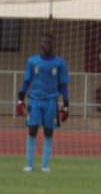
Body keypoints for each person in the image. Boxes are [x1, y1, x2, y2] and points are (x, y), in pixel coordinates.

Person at [16, 33, 70, 173]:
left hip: (51, 101)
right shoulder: (32, 61)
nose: (47, 45)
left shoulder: (60, 63)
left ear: (54, 45)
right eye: (45, 42)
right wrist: (20, 99)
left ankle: (45, 165)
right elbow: (27, 81)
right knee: (32, 129)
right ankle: (29, 164)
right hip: (34, 100)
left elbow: (63, 85)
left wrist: (66, 104)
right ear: (41, 44)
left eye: (49, 42)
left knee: (48, 131)